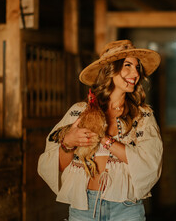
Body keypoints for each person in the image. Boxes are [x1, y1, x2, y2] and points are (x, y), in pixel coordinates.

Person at [37, 39, 163, 221]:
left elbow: (149, 163)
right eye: (128, 65)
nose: (135, 73)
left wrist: (104, 139)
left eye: (137, 67)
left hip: (126, 208)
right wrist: (68, 143)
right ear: (110, 69)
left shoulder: (142, 116)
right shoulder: (79, 111)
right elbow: (55, 167)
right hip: (84, 206)